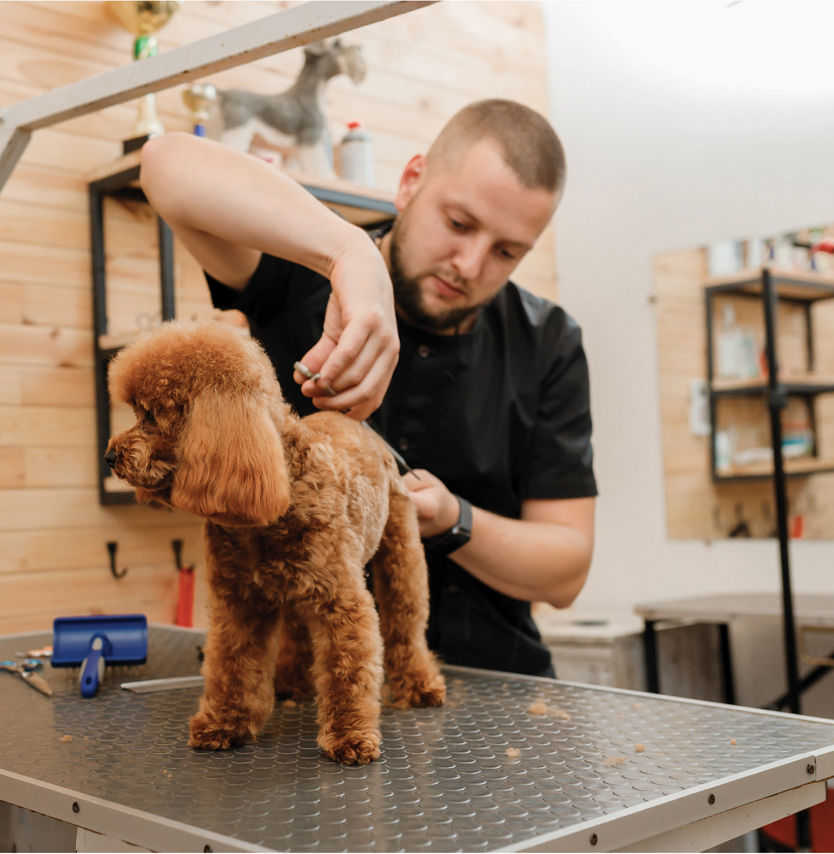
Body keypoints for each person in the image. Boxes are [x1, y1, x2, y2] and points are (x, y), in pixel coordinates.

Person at [138, 99, 596, 677]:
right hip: (304, 688)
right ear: (410, 182)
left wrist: (453, 518)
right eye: (458, 223)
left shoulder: (548, 342)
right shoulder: (302, 276)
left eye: (507, 252)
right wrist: (349, 254)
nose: (470, 262)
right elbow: (163, 164)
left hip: (491, 680)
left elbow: (566, 572)